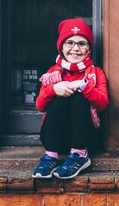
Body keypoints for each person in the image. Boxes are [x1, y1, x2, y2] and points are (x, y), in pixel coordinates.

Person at [32, 18, 109, 179]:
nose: (75, 48)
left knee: (79, 98)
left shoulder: (96, 73)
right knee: (59, 100)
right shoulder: (53, 72)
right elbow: (40, 105)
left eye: (82, 43)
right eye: (70, 43)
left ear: (89, 49)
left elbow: (102, 104)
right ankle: (50, 157)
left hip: (84, 138)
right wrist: (53, 89)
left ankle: (80, 156)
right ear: (61, 47)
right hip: (55, 138)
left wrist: (84, 86)